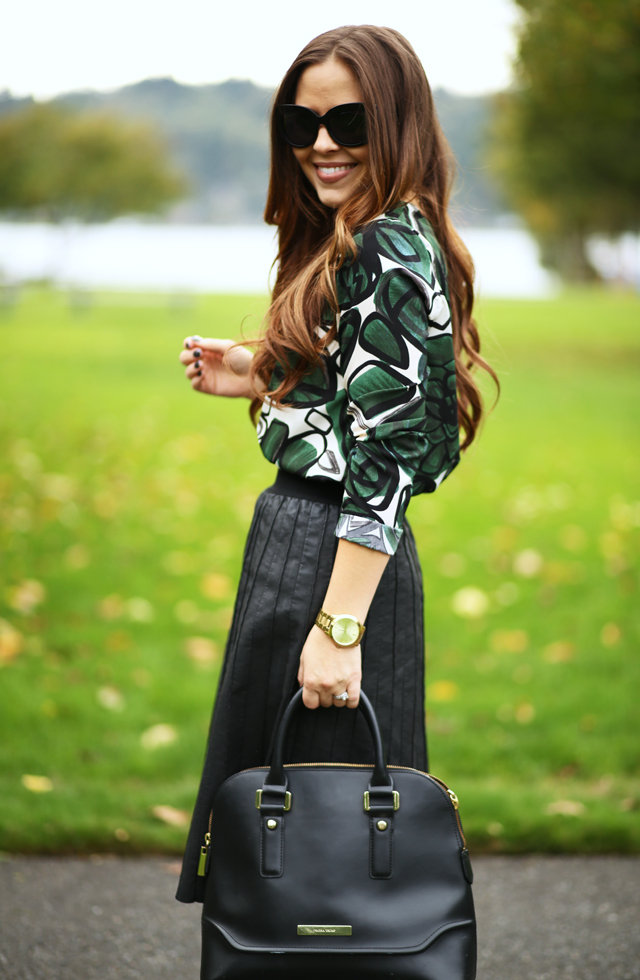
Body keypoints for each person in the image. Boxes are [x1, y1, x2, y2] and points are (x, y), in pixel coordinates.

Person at [175, 24, 496, 906]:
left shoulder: (390, 243)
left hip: (337, 555)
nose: (321, 144)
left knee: (331, 854)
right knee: (306, 849)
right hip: (307, 543)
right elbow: (360, 387)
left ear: (396, 125)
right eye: (301, 123)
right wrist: (261, 367)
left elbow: (390, 452)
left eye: (348, 123)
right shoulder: (357, 238)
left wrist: (340, 627)